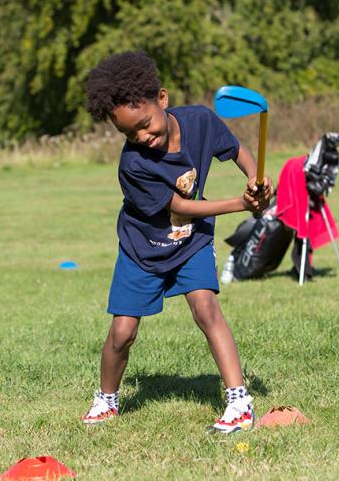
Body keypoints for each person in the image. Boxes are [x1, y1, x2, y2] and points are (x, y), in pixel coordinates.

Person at [81, 50, 273, 433]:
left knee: (206, 309)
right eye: (129, 133)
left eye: (146, 125)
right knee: (122, 332)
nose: (142, 137)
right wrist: (240, 203)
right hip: (142, 249)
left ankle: (239, 401)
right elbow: (182, 205)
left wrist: (255, 180)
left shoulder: (200, 120)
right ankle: (107, 398)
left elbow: (236, 151)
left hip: (191, 244)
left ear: (162, 100)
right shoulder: (133, 164)